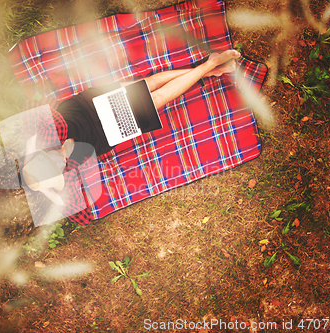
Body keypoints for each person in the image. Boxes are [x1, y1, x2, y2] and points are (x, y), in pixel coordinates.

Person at [21, 50, 241, 223]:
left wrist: (33, 147)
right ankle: (209, 68)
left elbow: (40, 104)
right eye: (56, 173)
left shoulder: (47, 133)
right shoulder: (67, 174)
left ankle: (208, 66)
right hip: (112, 127)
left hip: (93, 104)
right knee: (159, 96)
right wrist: (53, 192)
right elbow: (84, 217)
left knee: (151, 84)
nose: (60, 168)